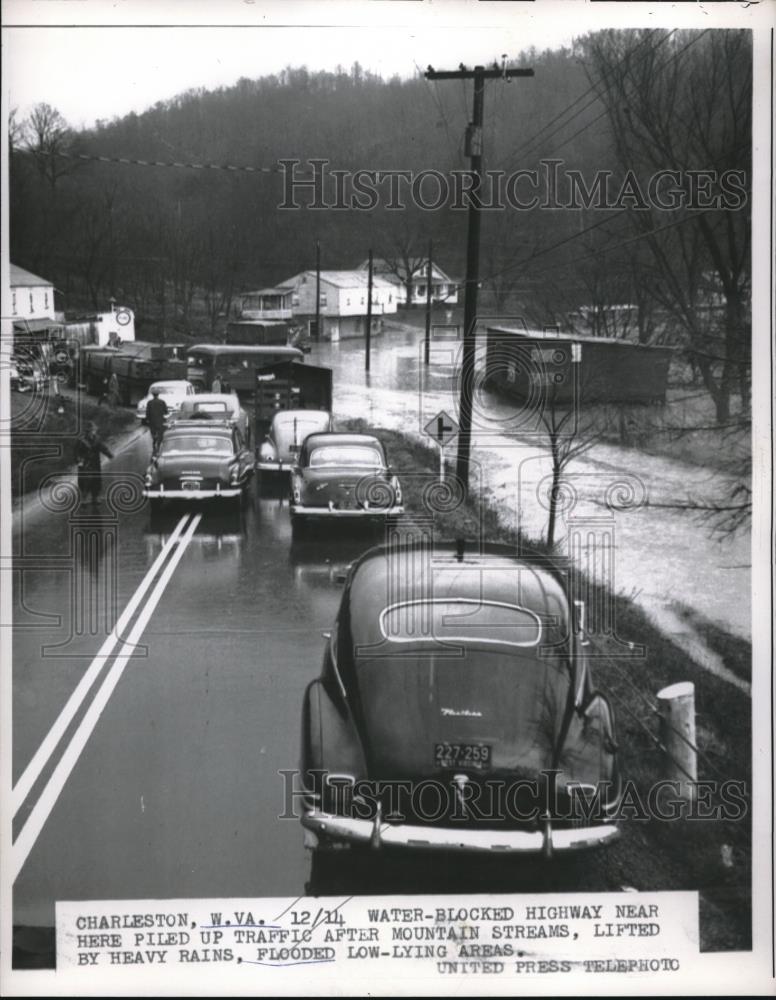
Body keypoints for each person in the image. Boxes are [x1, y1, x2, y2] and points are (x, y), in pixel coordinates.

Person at [75, 422, 114, 506]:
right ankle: (84, 499)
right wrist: (79, 461)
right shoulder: (81, 440)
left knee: (96, 480)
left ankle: (95, 497)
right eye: (92, 430)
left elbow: (102, 447)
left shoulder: (97, 439)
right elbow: (77, 452)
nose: (94, 432)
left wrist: (109, 454)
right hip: (85, 464)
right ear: (88, 431)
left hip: (95, 463)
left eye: (94, 430)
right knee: (85, 481)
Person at [145, 387, 169, 455]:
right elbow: (166, 412)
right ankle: (158, 444)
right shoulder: (162, 402)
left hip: (152, 421)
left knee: (153, 432)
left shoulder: (149, 402)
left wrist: (147, 419)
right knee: (160, 433)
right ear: (158, 395)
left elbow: (147, 412)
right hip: (160, 421)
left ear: (153, 395)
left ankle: (154, 440)